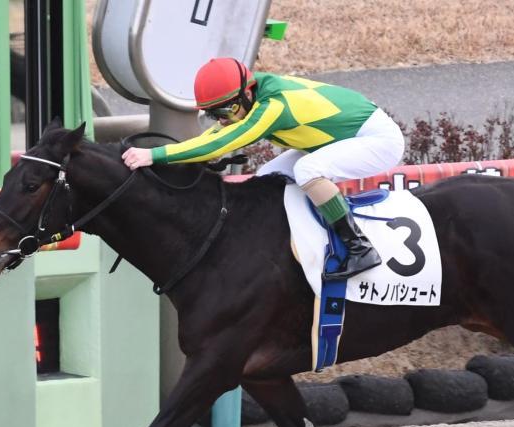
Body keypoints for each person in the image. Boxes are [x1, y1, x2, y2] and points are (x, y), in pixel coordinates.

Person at [122, 57, 405, 280]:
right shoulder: (252, 96)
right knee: (267, 178)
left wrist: (155, 155)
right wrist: (170, 155)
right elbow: (212, 137)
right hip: (340, 137)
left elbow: (223, 143)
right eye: (213, 113)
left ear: (247, 93)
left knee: (307, 170)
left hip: (377, 140)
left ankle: (359, 248)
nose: (221, 120)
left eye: (226, 111)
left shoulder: (274, 106)